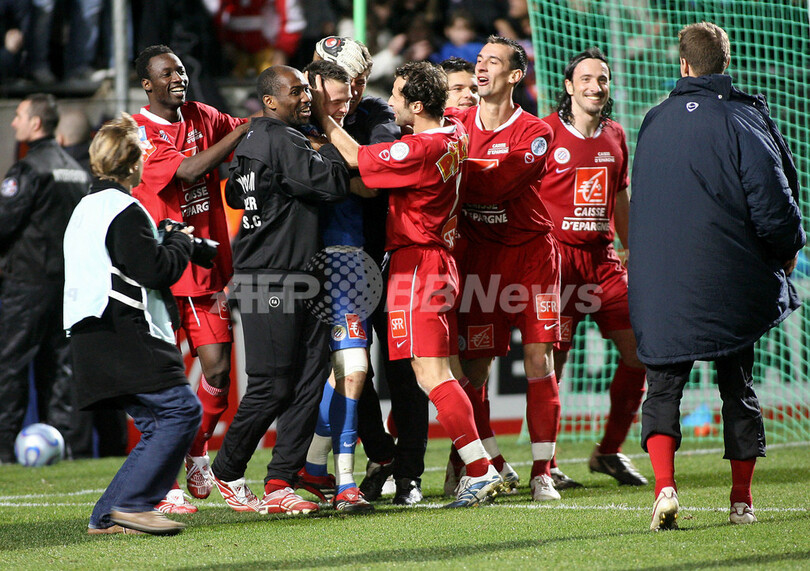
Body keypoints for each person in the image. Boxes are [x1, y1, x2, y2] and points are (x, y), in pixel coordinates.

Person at [629, 22, 805, 530]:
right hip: (728, 275)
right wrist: (786, 249)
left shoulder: (654, 119)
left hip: (661, 281)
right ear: (726, 62)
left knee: (663, 388)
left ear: (683, 65)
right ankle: (740, 502)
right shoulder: (743, 118)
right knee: (738, 386)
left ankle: (665, 489)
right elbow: (772, 199)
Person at [315, 60, 503, 508]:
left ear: (418, 106)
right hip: (439, 260)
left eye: (397, 95)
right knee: (440, 373)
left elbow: (357, 158)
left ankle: (480, 470)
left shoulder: (419, 148)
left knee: (430, 374)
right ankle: (481, 465)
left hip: (417, 264)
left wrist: (324, 117)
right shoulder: (454, 133)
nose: (390, 101)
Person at [210, 65, 350, 516]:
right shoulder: (282, 138)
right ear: (270, 101)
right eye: (296, 92)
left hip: (292, 272)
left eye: (307, 90)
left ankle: (281, 483)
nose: (306, 97)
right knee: (272, 385)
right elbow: (330, 184)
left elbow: (235, 195)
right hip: (272, 276)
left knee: (308, 380)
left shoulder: (254, 140)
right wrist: (328, 148)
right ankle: (227, 470)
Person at [64, 112, 201, 536]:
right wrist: (179, 241)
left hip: (90, 334)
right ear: (133, 162)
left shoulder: (85, 208)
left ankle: (107, 516)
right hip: (123, 331)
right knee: (181, 411)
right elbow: (154, 270)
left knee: (156, 424)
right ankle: (135, 505)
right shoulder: (123, 209)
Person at [309, 35, 429, 507]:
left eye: (359, 79)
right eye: (344, 79)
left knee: (405, 369)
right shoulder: (297, 114)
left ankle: (409, 473)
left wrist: (325, 145)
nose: (354, 89)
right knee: (351, 368)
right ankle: (380, 456)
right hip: (333, 265)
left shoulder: (378, 114)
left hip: (389, 258)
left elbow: (374, 177)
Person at [131, 44, 249, 512]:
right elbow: (187, 170)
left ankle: (196, 449)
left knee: (218, 369)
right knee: (164, 382)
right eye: (167, 73)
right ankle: (163, 484)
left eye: (180, 70)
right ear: (147, 84)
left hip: (205, 269)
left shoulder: (201, 115)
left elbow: (241, 131)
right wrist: (243, 131)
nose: (178, 78)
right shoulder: (139, 132)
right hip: (160, 272)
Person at [447, 36, 558, 502]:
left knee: (538, 359)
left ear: (515, 75)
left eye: (493, 61)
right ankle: (484, 460)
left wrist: (456, 167)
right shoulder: (455, 123)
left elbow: (496, 185)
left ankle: (543, 472)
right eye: (479, 60)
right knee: (474, 370)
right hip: (479, 259)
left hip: (531, 257)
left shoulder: (536, 131)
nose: (482, 67)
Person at [539, 47, 648, 488]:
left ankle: (609, 450)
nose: (595, 86)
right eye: (585, 79)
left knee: (640, 352)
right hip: (557, 263)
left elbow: (619, 195)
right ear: (569, 86)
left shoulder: (616, 135)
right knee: (553, 364)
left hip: (603, 263)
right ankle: (546, 465)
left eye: (602, 79)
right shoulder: (544, 132)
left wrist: (631, 246)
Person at [296, 58, 374, 512]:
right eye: (338, 100)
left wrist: (331, 150)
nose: (346, 107)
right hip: (294, 266)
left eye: (350, 98)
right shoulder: (287, 129)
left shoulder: (355, 130)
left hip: (346, 261)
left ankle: (342, 479)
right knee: (297, 377)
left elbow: (371, 185)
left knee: (352, 367)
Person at [0, 94, 90, 464]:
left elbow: (4, 224)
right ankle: (61, 447)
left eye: (19, 115)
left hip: (27, 283)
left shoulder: (28, 170)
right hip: (67, 287)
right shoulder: (77, 170)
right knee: (60, 370)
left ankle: (4, 450)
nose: (13, 122)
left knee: (11, 365)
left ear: (35, 123)